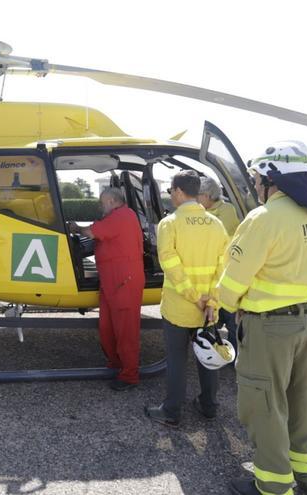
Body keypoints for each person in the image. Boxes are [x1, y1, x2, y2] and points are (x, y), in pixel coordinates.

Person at [217, 141, 307, 495]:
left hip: (271, 326)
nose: (255, 186)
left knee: (265, 403)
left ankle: (272, 485)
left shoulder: (264, 218)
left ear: (273, 179)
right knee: (301, 397)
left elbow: (233, 280)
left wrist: (230, 303)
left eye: (257, 179)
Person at [143, 170, 228, 426]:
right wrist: (211, 301)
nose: (171, 196)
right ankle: (209, 405)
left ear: (179, 192)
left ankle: (172, 411)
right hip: (208, 310)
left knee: (177, 360)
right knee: (207, 357)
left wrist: (193, 296)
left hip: (180, 307)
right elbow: (224, 268)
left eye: (171, 191)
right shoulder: (216, 224)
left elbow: (170, 264)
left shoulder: (170, 223)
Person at [70, 187, 144, 391]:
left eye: (102, 203)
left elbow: (93, 231)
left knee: (126, 330)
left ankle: (130, 375)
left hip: (124, 282)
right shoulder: (120, 217)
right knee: (108, 327)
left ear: (112, 201)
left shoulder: (121, 216)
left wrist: (75, 228)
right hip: (113, 282)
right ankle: (116, 363)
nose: (100, 207)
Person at [198, 175, 242, 351]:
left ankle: (234, 358)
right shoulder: (201, 211)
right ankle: (215, 353)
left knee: (231, 321)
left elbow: (221, 241)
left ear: (208, 195)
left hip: (225, 275)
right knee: (211, 322)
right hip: (209, 277)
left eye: (198, 195)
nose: (196, 198)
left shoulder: (226, 210)